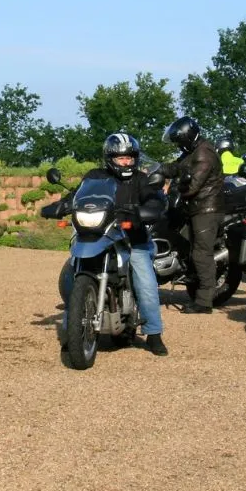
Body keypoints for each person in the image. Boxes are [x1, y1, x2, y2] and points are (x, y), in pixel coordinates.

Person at [80, 133, 169, 355]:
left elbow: (154, 198)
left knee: (145, 282)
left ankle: (154, 334)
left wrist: (148, 209)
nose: (126, 162)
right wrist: (61, 205)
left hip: (133, 239)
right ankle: (73, 327)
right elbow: (77, 195)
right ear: (110, 158)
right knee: (74, 268)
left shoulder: (141, 179)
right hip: (102, 235)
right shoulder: (95, 176)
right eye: (121, 158)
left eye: (130, 157)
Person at [163, 115, 223, 314]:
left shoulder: (204, 153)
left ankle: (204, 302)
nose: (179, 145)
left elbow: (191, 186)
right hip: (194, 207)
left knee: (201, 252)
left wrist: (174, 187)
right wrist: (159, 170)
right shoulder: (191, 151)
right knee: (186, 244)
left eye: (180, 141)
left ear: (188, 137)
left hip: (206, 208)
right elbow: (177, 166)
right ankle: (189, 277)